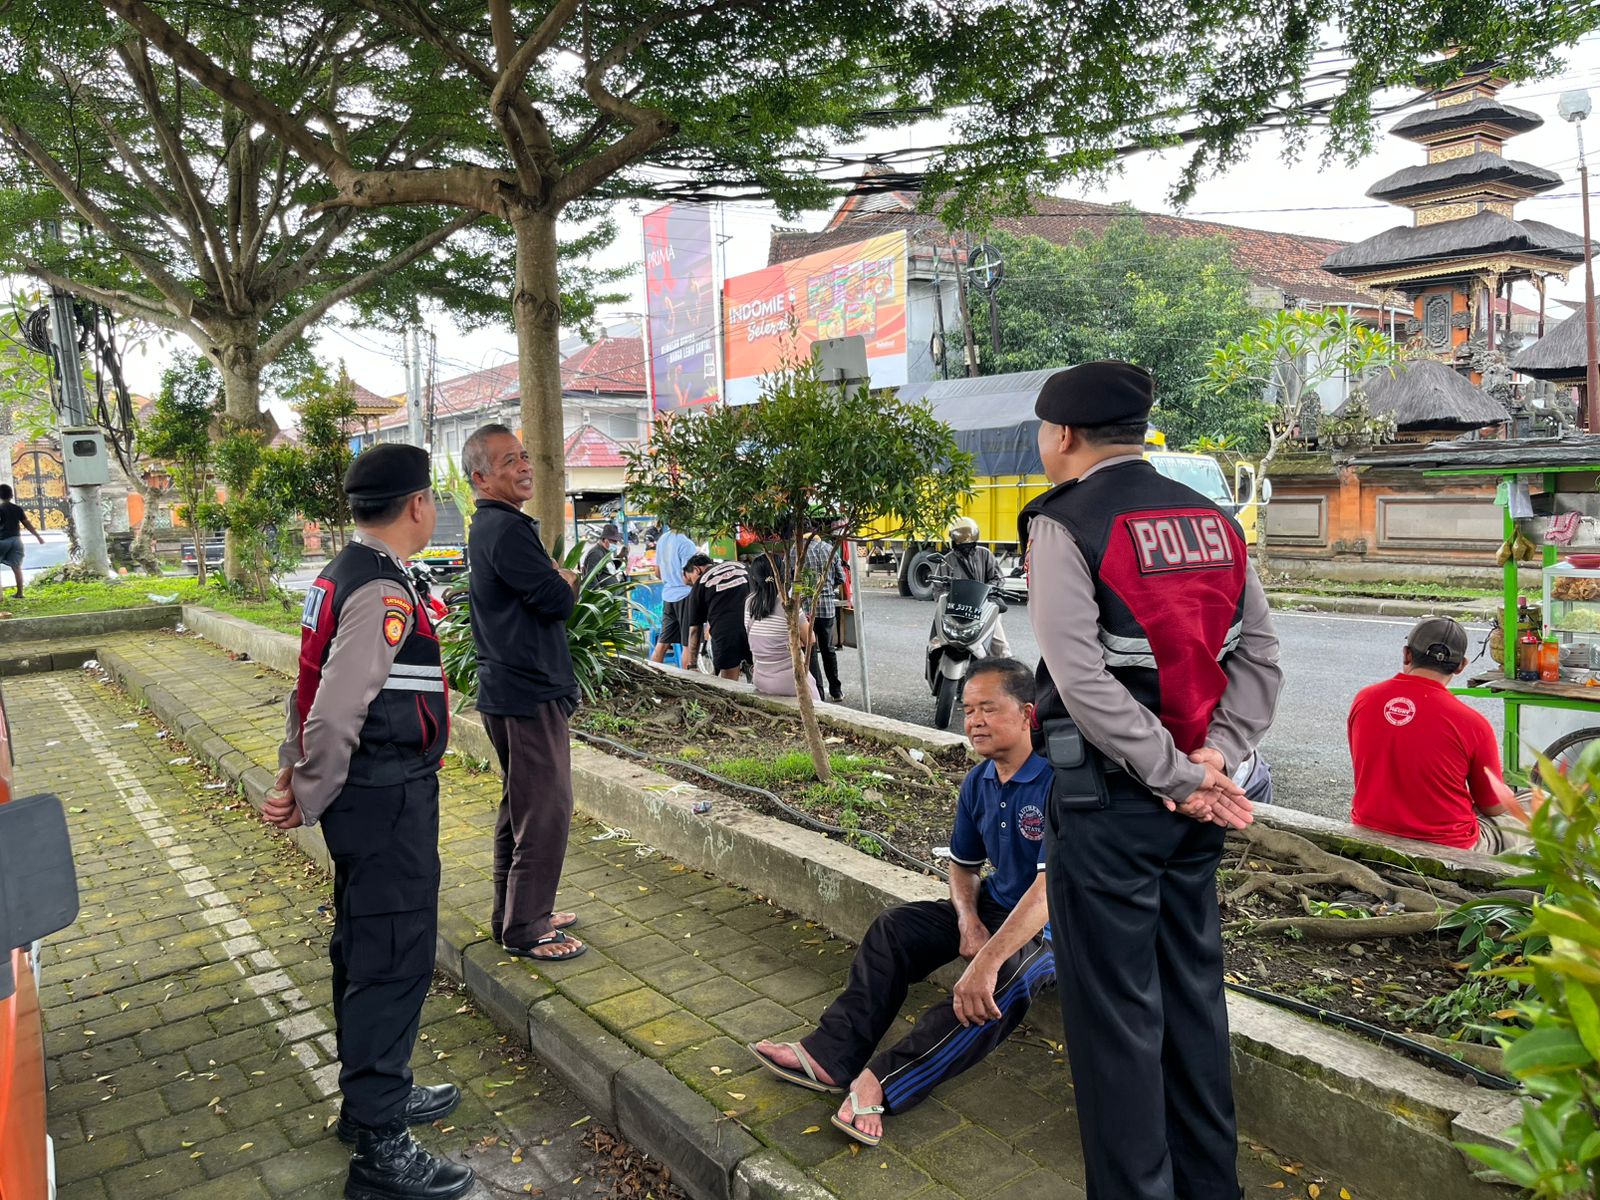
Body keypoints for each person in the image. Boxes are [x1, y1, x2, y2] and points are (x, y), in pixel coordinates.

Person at [1021, 360, 1282, 1200]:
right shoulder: (1214, 521)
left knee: (1116, 1025)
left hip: (1112, 805)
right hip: (1194, 809)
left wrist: (1175, 774)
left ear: (1064, 434)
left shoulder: (1065, 523)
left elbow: (1081, 680)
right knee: (1194, 1001)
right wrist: (1217, 759)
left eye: (1044, 431)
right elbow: (1260, 656)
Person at [263, 444, 473, 1200]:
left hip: (371, 795)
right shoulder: (382, 589)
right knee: (392, 956)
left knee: (363, 944)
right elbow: (335, 708)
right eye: (432, 499)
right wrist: (307, 788)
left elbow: (307, 685)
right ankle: (381, 1149)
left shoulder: (342, 573)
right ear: (417, 505)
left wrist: (295, 774)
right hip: (384, 796)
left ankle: (372, 1101)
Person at [748, 658, 1054, 1146]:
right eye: (968, 710)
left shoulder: (1058, 782)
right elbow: (963, 866)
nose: (974, 721)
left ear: (1027, 714)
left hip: (1053, 928)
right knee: (895, 929)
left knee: (998, 984)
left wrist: (986, 961)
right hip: (996, 907)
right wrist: (968, 920)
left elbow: (1048, 892)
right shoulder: (979, 781)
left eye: (989, 709)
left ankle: (882, 1081)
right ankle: (832, 1055)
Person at [462, 424, 586, 963]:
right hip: (526, 691)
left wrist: (556, 578)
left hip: (513, 687)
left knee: (522, 807)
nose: (524, 466)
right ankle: (526, 928)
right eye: (509, 460)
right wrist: (565, 579)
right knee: (546, 809)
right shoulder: (505, 529)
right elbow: (556, 599)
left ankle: (514, 914)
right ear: (481, 477)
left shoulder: (496, 526)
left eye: (524, 455)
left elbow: (541, 592)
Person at [1348, 616, 1511, 852]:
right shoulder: (1473, 724)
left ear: (1407, 654)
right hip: (1449, 847)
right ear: (1461, 665)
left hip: (1368, 830)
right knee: (1539, 807)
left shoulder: (1365, 700)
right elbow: (1493, 806)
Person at [745, 555, 818, 698]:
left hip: (760, 679)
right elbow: (811, 639)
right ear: (783, 575)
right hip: (791, 683)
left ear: (754, 577)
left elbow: (754, 636)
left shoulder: (749, 603)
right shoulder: (788, 605)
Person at [938, 517, 1011, 657]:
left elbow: (997, 578)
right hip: (956, 609)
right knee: (939, 641)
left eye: (969, 541)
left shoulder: (985, 554)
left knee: (1000, 645)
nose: (965, 544)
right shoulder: (947, 560)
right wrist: (947, 600)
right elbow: (939, 589)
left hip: (983, 606)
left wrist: (987, 590)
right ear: (954, 540)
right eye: (961, 540)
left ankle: (1008, 666)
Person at [681, 553, 751, 680]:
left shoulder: (700, 584)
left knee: (729, 682)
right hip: (754, 627)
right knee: (759, 671)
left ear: (696, 570)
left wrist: (692, 665)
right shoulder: (739, 565)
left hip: (726, 635)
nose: (692, 585)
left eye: (690, 580)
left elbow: (695, 630)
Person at [803, 533, 847, 701]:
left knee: (810, 650)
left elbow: (791, 580)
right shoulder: (830, 549)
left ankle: (818, 694)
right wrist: (827, 588)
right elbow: (841, 578)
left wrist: (804, 592)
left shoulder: (795, 551)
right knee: (828, 649)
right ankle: (836, 691)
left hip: (806, 610)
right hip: (827, 608)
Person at [650, 520, 697, 665]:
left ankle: (652, 676)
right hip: (685, 596)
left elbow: (657, 572)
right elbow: (689, 576)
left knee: (662, 643)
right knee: (688, 645)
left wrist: (670, 579)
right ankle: (688, 678)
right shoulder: (686, 544)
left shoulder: (662, 540)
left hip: (668, 596)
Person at [0, 485, 44, 598]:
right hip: (16, 540)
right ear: (11, 495)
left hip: (2, 540)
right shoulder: (17, 509)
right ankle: (20, 593)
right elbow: (27, 523)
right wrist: (38, 536)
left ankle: (0, 595)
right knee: (17, 567)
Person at [580, 522, 626, 589]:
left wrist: (620, 556)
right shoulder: (596, 553)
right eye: (613, 541)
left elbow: (608, 570)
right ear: (605, 540)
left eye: (616, 542)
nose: (615, 544)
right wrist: (598, 594)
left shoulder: (605, 552)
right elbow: (590, 578)